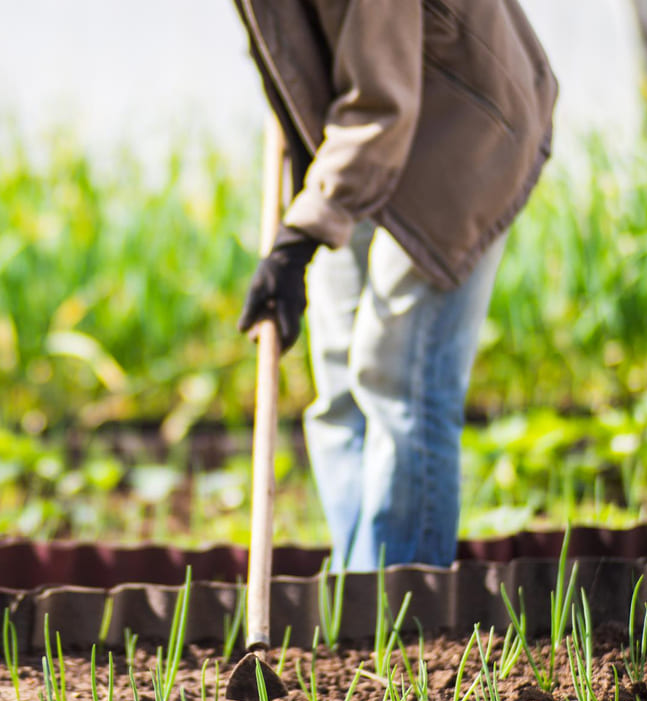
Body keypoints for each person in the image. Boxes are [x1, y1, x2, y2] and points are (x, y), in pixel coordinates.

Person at [233, 0, 558, 571]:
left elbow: (383, 104)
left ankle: (396, 611)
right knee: (336, 384)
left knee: (398, 376)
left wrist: (299, 240)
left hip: (461, 127)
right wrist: (307, 197)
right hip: (357, 141)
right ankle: (357, 590)